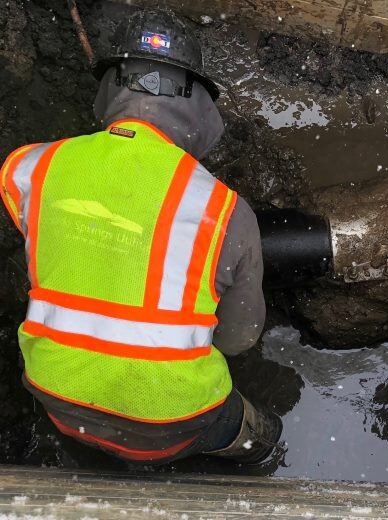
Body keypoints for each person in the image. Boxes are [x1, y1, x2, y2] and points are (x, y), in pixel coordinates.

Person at [0, 9, 280, 464]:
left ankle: (86, 454)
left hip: (56, 396)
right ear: (199, 106)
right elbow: (237, 338)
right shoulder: (223, 210)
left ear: (110, 87)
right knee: (257, 434)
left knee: (87, 414)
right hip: (170, 424)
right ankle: (259, 459)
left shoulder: (32, 168)